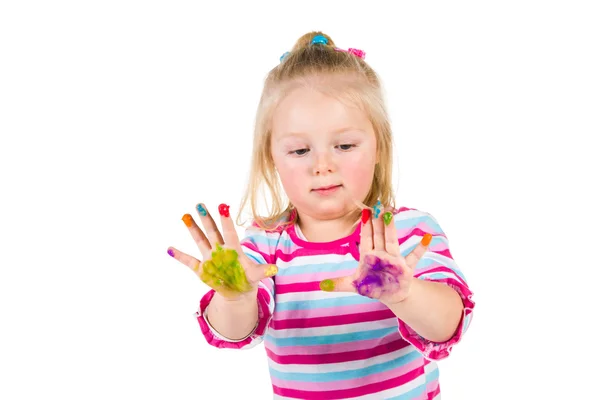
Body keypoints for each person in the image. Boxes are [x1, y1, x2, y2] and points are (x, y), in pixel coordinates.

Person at [167, 31, 475, 399]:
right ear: (272, 158)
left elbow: (449, 324)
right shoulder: (264, 248)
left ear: (379, 146)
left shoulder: (406, 233)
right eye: (299, 150)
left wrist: (405, 293)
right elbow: (233, 331)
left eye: (344, 145)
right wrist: (234, 297)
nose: (323, 165)